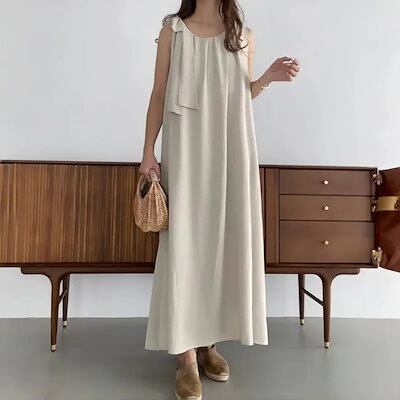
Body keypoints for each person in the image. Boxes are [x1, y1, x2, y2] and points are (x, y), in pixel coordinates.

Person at [139, 1, 300, 398]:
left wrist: (267, 78)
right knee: (185, 244)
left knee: (222, 243)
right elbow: (159, 92)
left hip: (231, 151)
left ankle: (208, 344)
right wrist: (147, 152)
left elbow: (239, 94)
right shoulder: (173, 31)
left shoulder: (242, 36)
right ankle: (186, 357)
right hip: (185, 149)